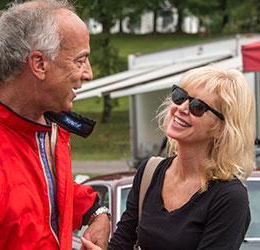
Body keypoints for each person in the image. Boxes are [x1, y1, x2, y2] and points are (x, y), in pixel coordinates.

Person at [0, 0, 110, 249]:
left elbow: (42, 189)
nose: (88, 73)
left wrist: (95, 211)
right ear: (39, 64)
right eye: (80, 60)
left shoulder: (49, 123)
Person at [81, 65, 255, 250]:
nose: (181, 108)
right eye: (180, 97)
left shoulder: (230, 198)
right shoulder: (150, 172)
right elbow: (121, 244)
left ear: (221, 128)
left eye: (198, 107)